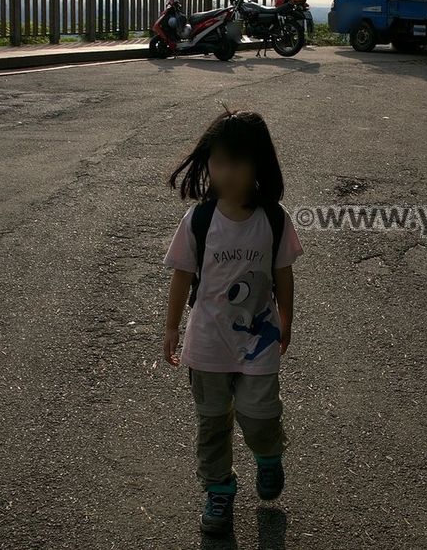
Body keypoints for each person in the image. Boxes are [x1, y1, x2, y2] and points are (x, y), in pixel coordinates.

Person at [162, 106, 304, 536]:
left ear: (258, 164)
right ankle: (219, 490)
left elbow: (283, 274)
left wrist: (286, 319)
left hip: (258, 340)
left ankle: (268, 454)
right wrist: (170, 328)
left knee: (259, 416)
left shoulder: (273, 220)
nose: (225, 172)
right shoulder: (199, 220)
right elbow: (182, 275)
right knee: (211, 423)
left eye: (237, 162)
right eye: (218, 162)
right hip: (207, 342)